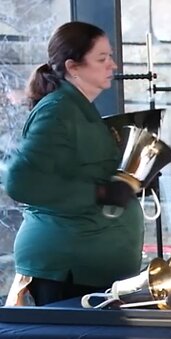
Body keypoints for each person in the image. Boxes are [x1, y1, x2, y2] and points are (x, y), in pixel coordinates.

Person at [3, 21, 143, 306]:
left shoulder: (79, 109)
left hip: (91, 268)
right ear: (73, 67)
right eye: (102, 59)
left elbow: (80, 169)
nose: (112, 65)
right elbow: (22, 182)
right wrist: (99, 193)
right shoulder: (57, 112)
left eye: (111, 57)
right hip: (67, 271)